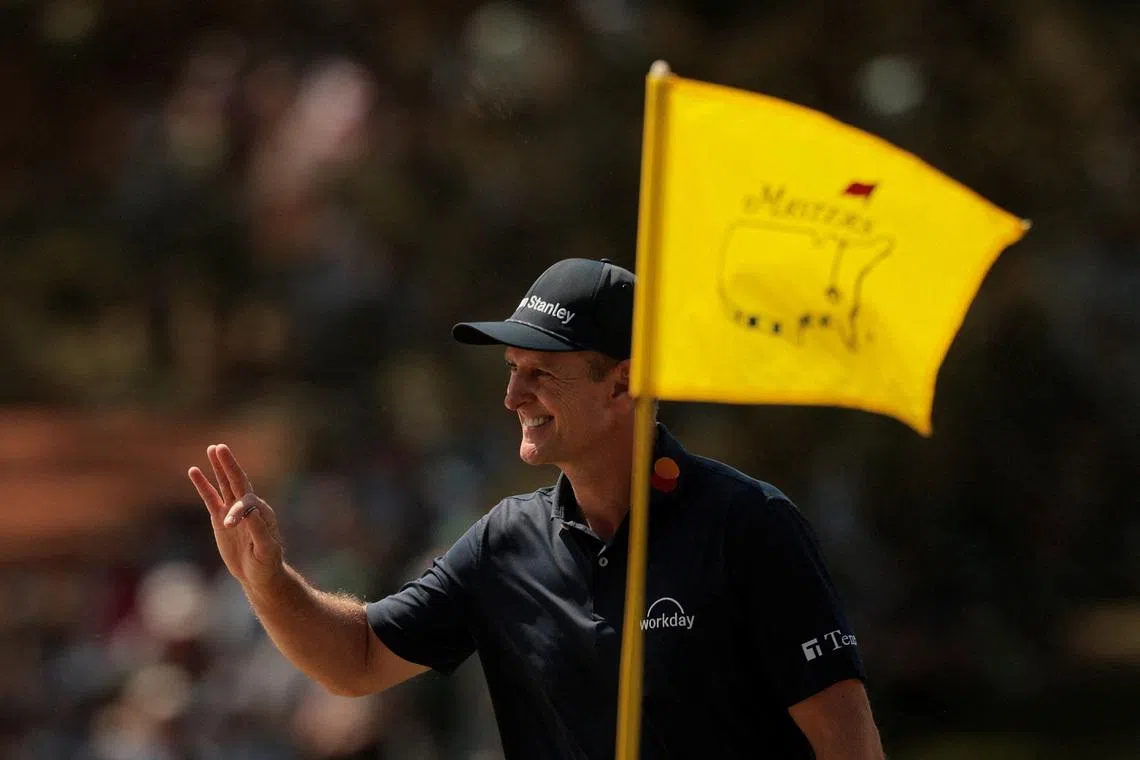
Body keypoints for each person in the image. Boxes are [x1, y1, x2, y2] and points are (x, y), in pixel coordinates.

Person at [189, 257, 886, 759]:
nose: (513, 397)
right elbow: (358, 659)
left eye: (542, 373)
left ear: (624, 385)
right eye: (512, 372)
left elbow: (845, 742)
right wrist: (268, 582)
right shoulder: (504, 543)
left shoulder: (749, 526)